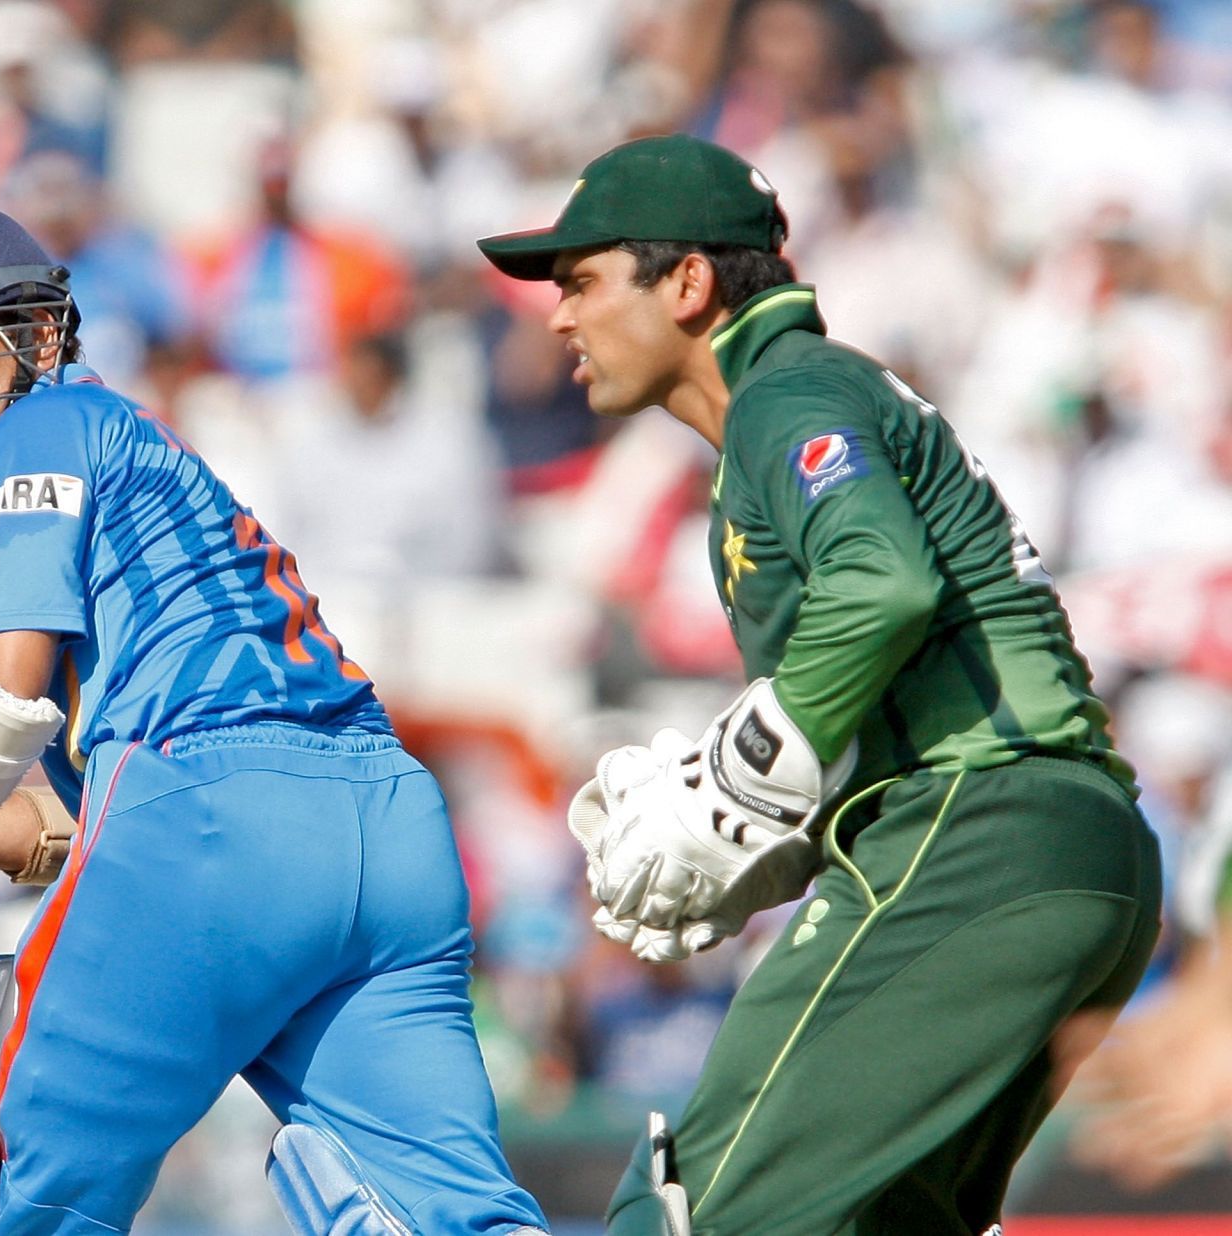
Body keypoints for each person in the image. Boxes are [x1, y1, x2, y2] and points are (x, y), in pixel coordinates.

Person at [0, 206, 549, 1236]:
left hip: (208, 824)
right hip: (385, 835)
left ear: (39, 332)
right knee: (454, 1219)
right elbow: (77, 832)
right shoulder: (141, 471)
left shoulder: (40, 429)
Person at [477, 135, 1162, 1236]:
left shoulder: (785, 392)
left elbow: (884, 582)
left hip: (980, 831)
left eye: (583, 281)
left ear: (689, 283)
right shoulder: (790, 410)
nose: (559, 317)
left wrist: (746, 772)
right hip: (1065, 848)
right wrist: (770, 840)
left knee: (693, 1211)